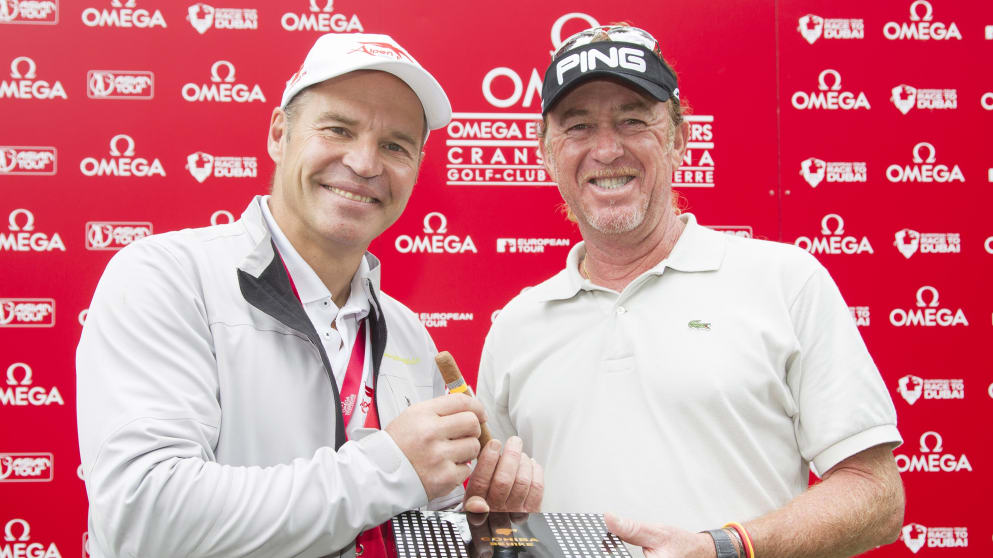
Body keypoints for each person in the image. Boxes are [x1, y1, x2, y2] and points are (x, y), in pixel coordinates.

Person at [77, 33, 541, 558]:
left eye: (395, 145)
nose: (364, 163)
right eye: (338, 129)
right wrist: (390, 467)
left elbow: (407, 516)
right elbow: (142, 517)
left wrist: (479, 523)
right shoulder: (168, 278)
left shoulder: (407, 331)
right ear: (280, 134)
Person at [475, 24, 903, 558]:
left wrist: (725, 547)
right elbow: (497, 525)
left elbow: (876, 495)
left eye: (633, 120)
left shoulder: (786, 281)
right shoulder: (515, 326)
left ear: (679, 138)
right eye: (578, 126)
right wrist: (490, 519)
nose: (606, 149)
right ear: (546, 151)